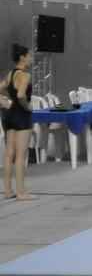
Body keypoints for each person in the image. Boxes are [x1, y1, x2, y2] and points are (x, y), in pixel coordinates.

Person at [1, 44, 35, 200]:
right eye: (30, 55)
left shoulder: (10, 74)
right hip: (21, 116)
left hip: (9, 115)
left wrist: (9, 99)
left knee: (9, 155)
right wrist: (28, 107)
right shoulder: (25, 75)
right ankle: (21, 192)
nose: (31, 58)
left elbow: (2, 89)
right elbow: (21, 95)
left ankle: (8, 191)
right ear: (22, 57)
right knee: (21, 155)